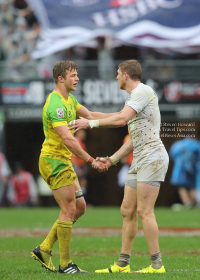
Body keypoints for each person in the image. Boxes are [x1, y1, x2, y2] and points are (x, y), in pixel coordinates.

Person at [70, 59, 169, 274]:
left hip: (152, 157)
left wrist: (91, 123)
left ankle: (157, 265)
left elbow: (121, 119)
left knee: (145, 211)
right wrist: (112, 159)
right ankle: (123, 265)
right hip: (140, 159)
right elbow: (133, 138)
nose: (115, 76)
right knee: (127, 210)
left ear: (125, 75)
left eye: (117, 73)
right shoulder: (135, 98)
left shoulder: (142, 91)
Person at [31, 60, 116, 274]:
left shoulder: (70, 99)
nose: (77, 78)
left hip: (62, 161)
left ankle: (44, 249)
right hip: (54, 162)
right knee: (68, 209)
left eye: (77, 74)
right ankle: (65, 265)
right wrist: (91, 160)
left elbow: (91, 116)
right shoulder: (55, 104)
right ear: (60, 78)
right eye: (73, 75)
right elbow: (68, 140)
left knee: (79, 208)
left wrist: (120, 117)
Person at [170, 137, 200, 210]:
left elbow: (172, 155)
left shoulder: (177, 144)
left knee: (181, 186)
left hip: (180, 169)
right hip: (193, 168)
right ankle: (193, 203)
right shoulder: (196, 144)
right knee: (192, 186)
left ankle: (187, 203)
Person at [72, 130, 89, 203]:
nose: (84, 134)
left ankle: (81, 202)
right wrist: (78, 169)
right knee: (78, 184)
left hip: (80, 165)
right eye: (82, 132)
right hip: (77, 165)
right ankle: (80, 202)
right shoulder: (76, 141)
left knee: (82, 184)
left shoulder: (81, 142)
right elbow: (74, 156)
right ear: (77, 133)